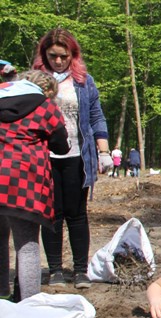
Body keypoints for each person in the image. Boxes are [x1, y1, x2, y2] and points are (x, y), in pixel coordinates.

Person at [33, 28, 112, 289]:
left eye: (63, 56)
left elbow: (96, 117)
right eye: (53, 56)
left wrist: (104, 152)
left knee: (77, 214)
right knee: (52, 214)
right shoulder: (35, 81)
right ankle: (55, 269)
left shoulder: (83, 81)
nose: (58, 61)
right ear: (44, 54)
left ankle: (80, 270)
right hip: (45, 155)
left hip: (78, 155)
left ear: (72, 55)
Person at [0, 71, 69, 302]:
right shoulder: (45, 107)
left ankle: (2, 295)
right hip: (24, 183)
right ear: (47, 90)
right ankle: (29, 306)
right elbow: (61, 145)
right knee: (27, 245)